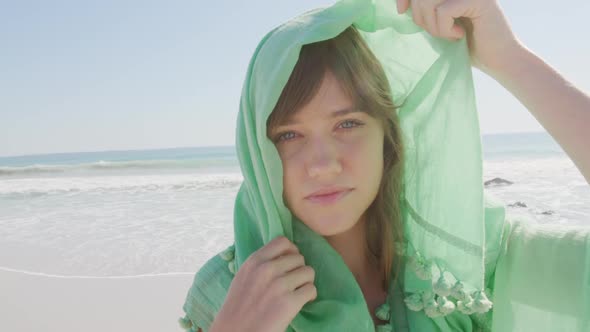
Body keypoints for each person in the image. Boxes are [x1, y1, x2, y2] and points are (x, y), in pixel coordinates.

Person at [179, 0, 590, 331]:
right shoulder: (232, 295)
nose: (322, 165)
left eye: (347, 124)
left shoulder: (460, 270)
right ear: (258, 152)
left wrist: (507, 58)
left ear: (388, 140)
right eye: (288, 135)